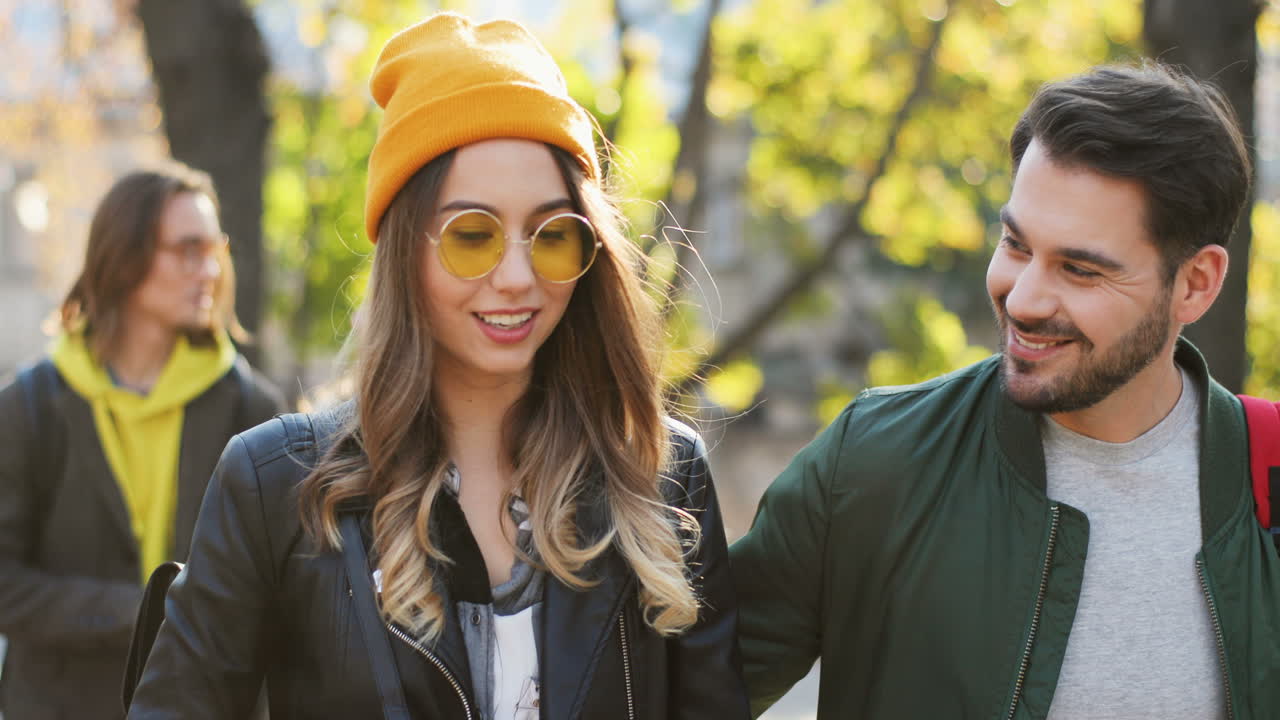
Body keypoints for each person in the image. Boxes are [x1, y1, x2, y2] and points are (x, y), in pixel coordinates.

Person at [126, 13, 749, 720]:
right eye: (473, 235)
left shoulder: (664, 474)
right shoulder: (274, 485)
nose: (517, 276)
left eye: (553, 236)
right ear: (405, 252)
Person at [731, 62, 1280, 719]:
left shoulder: (1267, 477)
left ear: (1195, 284)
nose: (1022, 299)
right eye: (1016, 244)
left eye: (1079, 269)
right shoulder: (873, 466)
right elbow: (660, 692)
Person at [0, 164, 285, 719]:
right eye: (186, 250)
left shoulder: (255, 413)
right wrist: (137, 612)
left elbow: (282, 594)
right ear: (124, 258)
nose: (209, 271)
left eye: (214, 249)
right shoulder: (25, 408)